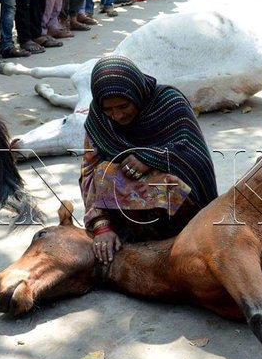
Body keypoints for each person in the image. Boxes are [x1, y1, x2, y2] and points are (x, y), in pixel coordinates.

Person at [82, 56, 217, 261]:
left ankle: (186, 236)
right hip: (126, 220)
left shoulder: (169, 102)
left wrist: (150, 157)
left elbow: (194, 153)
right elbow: (89, 172)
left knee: (167, 184)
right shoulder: (99, 119)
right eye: (108, 110)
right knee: (103, 171)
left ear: (136, 94)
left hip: (182, 211)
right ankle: (133, 237)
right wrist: (101, 225)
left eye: (123, 106)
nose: (117, 116)